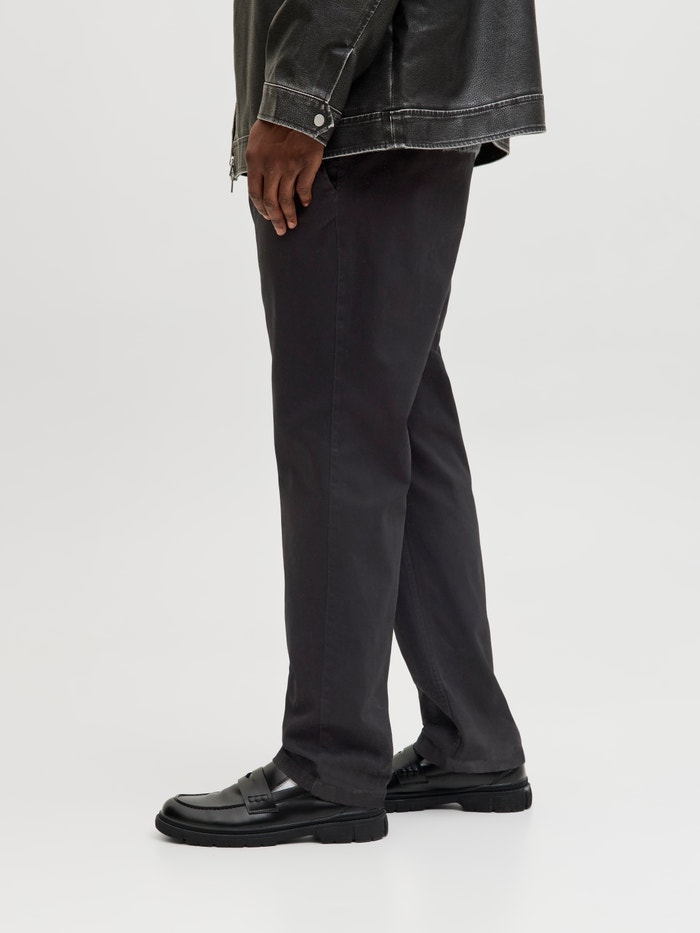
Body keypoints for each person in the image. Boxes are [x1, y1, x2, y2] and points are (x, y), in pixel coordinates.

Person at [155, 0, 546, 847]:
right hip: (400, 88)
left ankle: (329, 759)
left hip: (360, 103)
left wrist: (301, 96)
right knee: (395, 414)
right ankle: (470, 735)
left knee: (336, 424)